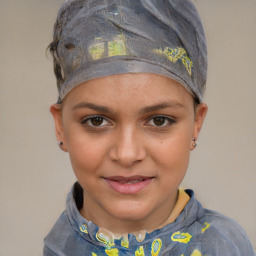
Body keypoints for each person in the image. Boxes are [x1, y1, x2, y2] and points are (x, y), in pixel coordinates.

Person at [44, 0, 255, 255]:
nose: (127, 154)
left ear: (196, 124)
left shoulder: (225, 248)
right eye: (97, 121)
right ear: (61, 127)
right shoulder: (58, 245)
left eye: (159, 120)